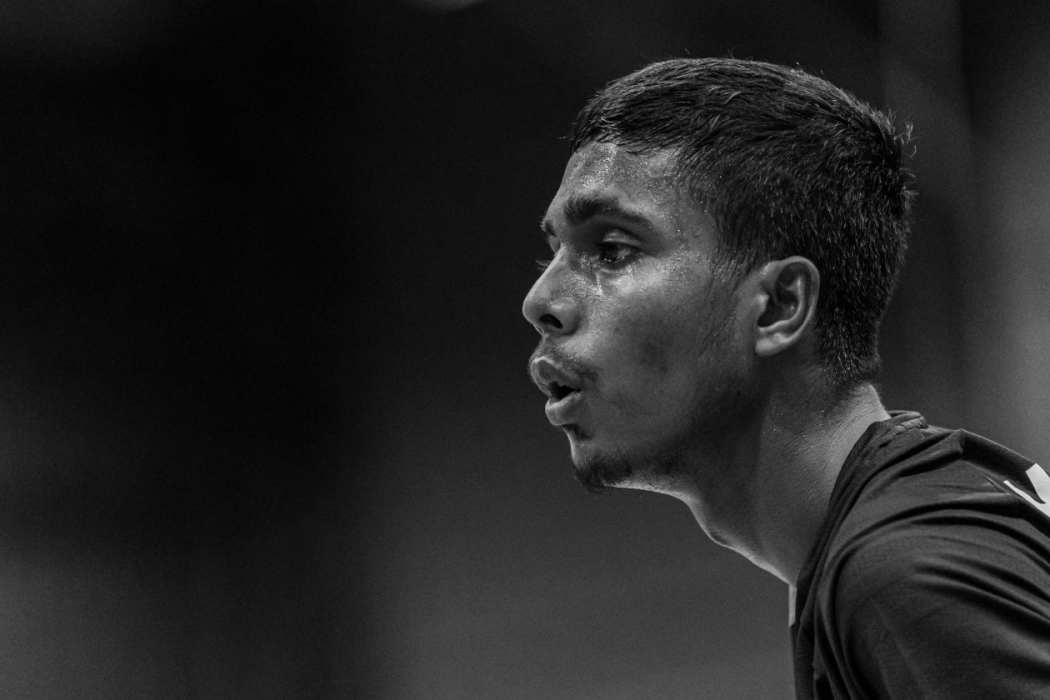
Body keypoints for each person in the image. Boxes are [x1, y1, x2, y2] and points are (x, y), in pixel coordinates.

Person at [522, 57, 1050, 698]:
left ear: (778, 307)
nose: (540, 300)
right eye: (554, 253)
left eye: (612, 251)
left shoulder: (907, 574)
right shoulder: (895, 533)